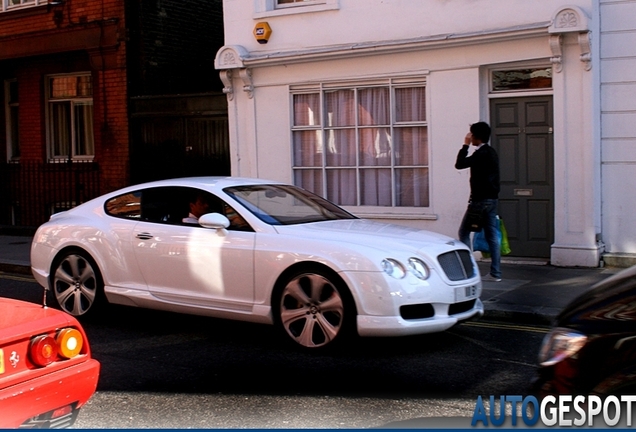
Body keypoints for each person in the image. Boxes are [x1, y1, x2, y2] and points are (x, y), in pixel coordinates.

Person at [455, 121, 502, 282]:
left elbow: (459, 164)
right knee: (491, 236)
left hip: (479, 201)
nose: (470, 137)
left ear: (476, 137)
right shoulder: (492, 152)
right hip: (492, 200)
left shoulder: (480, 154)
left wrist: (465, 145)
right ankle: (496, 273)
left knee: (464, 232)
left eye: (471, 135)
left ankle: (470, 271)